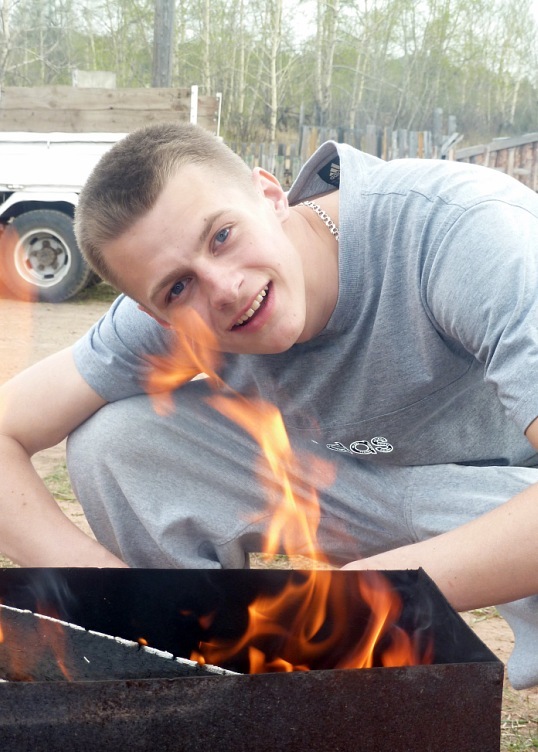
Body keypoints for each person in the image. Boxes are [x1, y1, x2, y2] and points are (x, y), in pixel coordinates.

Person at [1, 122, 538, 688]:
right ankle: (204, 676)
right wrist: (118, 597)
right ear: (156, 316)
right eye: (178, 288)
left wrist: (362, 592)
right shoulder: (169, 322)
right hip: (348, 487)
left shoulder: (460, 231)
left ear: (270, 194)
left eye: (222, 236)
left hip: (503, 497)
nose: (224, 288)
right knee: (114, 441)